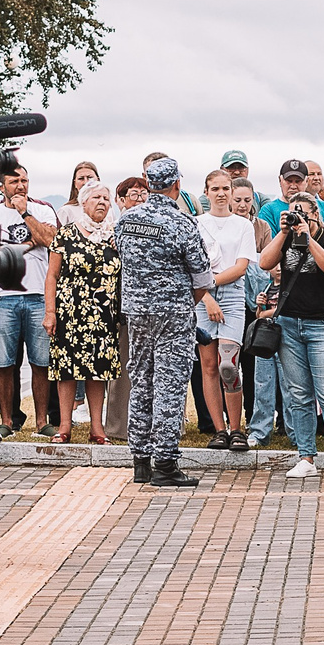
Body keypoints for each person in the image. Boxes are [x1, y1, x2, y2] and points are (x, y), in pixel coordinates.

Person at [116, 156, 214, 488]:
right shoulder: (182, 223)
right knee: (169, 387)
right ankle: (165, 464)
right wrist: (186, 302)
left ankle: (140, 461)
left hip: (137, 313)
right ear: (176, 185)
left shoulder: (126, 220)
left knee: (141, 383)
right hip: (173, 314)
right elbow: (202, 277)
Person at [257, 191, 324, 479]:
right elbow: (265, 262)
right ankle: (306, 457)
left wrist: (308, 236)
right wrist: (284, 231)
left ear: (316, 213)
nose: (296, 217)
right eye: (291, 212)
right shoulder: (286, 236)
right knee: (299, 395)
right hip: (290, 324)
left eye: (300, 213)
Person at [0, 164, 58, 438]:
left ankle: (41, 421)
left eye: (25, 180)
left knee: (40, 362)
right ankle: (6, 421)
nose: (21, 186)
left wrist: (25, 212)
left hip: (38, 295)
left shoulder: (44, 211)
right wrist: (29, 243)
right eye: (14, 181)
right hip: (4, 297)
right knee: (4, 363)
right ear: (2, 186)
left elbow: (50, 240)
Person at [45, 179, 123, 446]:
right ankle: (64, 427)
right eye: (96, 198)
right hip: (70, 312)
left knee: (97, 371)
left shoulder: (115, 235)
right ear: (83, 202)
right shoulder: (66, 233)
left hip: (103, 315)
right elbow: (52, 275)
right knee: (66, 370)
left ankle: (97, 428)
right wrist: (50, 312)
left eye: (106, 198)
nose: (102, 202)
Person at [194, 172, 259, 451]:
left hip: (231, 294)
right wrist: (206, 297)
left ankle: (236, 428)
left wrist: (211, 286)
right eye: (215, 189)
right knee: (208, 366)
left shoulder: (242, 225)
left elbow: (241, 265)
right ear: (206, 192)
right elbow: (192, 267)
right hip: (201, 297)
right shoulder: (196, 224)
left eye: (225, 188)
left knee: (228, 364)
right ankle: (219, 429)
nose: (221, 193)